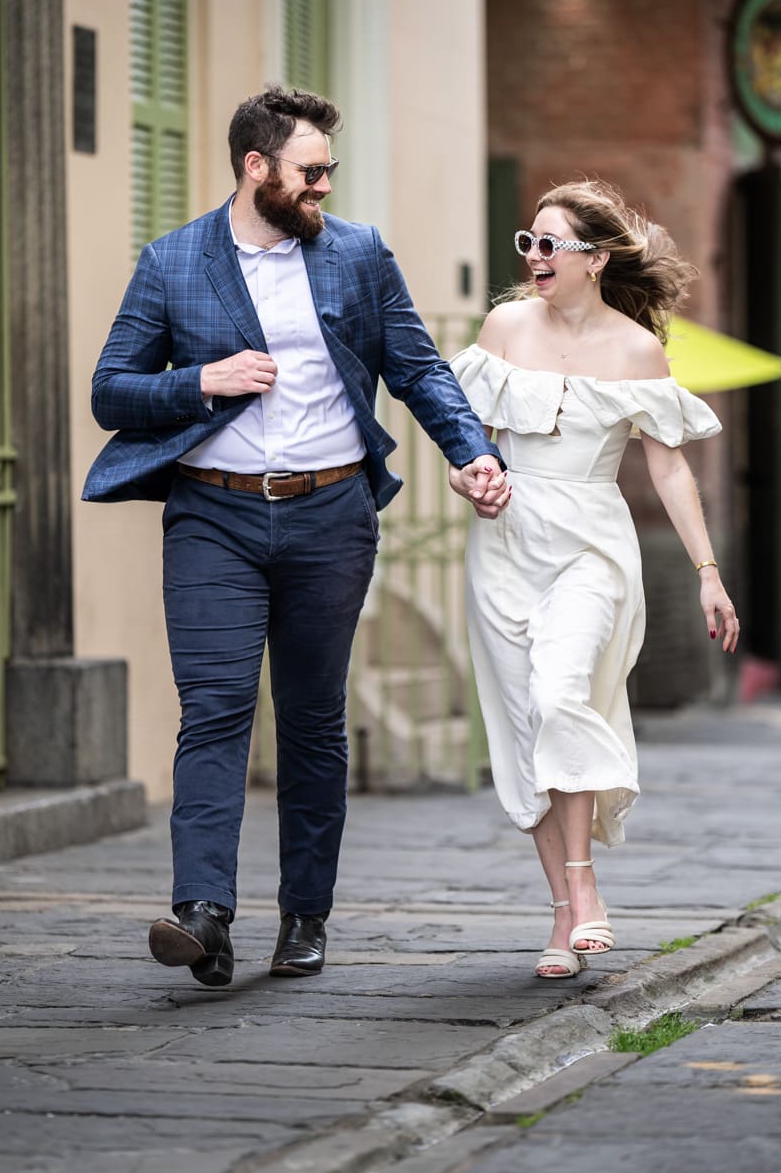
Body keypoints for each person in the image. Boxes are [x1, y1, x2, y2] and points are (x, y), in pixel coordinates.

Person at [83, 85, 507, 988]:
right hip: (213, 515)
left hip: (328, 515)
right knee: (216, 706)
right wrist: (204, 379)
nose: (323, 187)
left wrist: (472, 454)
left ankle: (304, 917)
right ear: (255, 167)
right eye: (310, 173)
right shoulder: (173, 263)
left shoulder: (357, 256)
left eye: (329, 173)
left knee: (313, 721)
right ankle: (202, 911)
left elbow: (419, 369)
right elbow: (111, 390)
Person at [449, 178, 739, 981]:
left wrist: (709, 573)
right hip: (505, 547)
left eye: (550, 244)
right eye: (529, 243)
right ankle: (560, 916)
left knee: (559, 694)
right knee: (521, 725)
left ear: (595, 258)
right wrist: (471, 480)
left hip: (590, 545)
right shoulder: (504, 326)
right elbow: (474, 442)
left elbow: (671, 470)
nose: (535, 257)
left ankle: (586, 887)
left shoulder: (636, 348)